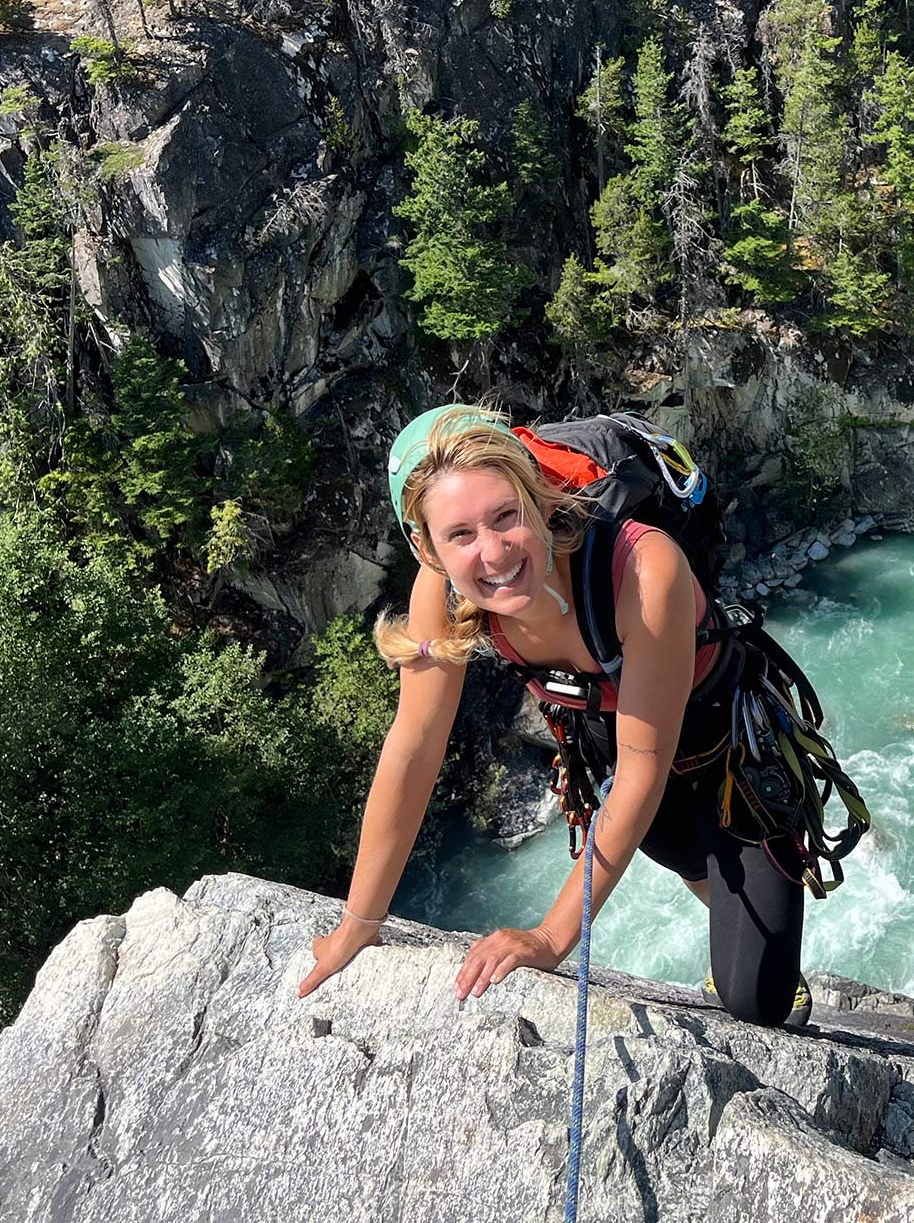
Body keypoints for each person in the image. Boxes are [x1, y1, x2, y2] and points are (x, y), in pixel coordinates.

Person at [294, 405, 812, 1028]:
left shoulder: (643, 566)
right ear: (426, 548)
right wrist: (359, 923)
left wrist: (549, 939)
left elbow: (645, 769)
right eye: (459, 535)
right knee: (692, 864)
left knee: (758, 1002)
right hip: (611, 745)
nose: (492, 552)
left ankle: (755, 932)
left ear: (537, 501)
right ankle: (726, 902)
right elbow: (413, 748)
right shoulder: (440, 587)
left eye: (506, 516)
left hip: (729, 745)